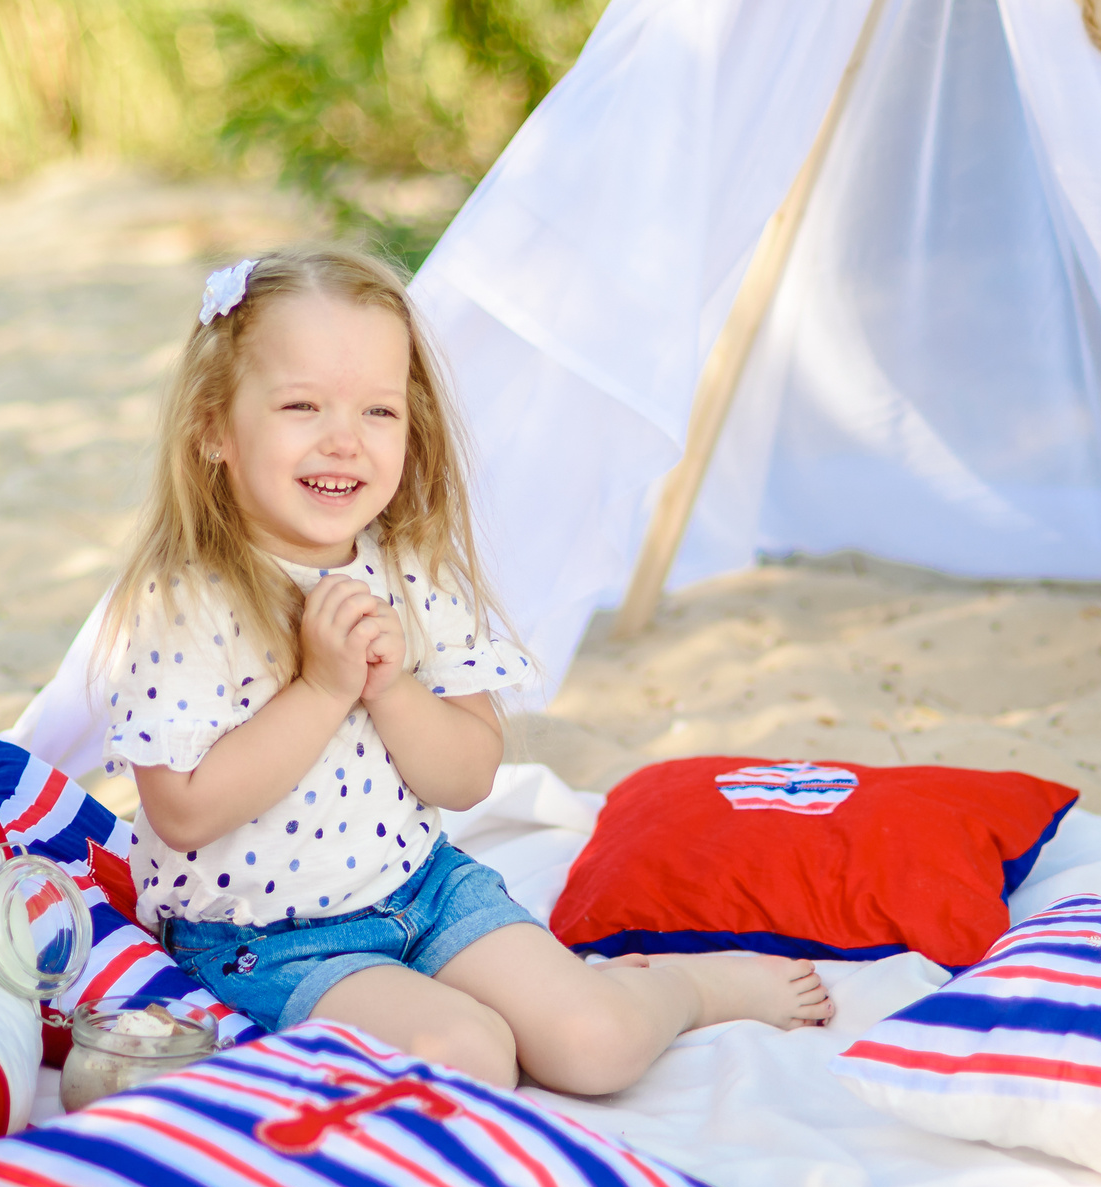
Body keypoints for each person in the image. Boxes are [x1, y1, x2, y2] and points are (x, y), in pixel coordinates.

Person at [96, 246, 830, 1094]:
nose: (344, 438)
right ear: (213, 427)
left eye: (378, 411)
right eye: (301, 404)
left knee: (596, 1044)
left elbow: (469, 775)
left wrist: (389, 685)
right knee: (469, 1055)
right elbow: (182, 812)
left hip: (427, 891)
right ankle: (440, 1008)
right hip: (273, 937)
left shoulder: (407, 570)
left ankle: (681, 987)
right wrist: (322, 689)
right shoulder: (186, 599)